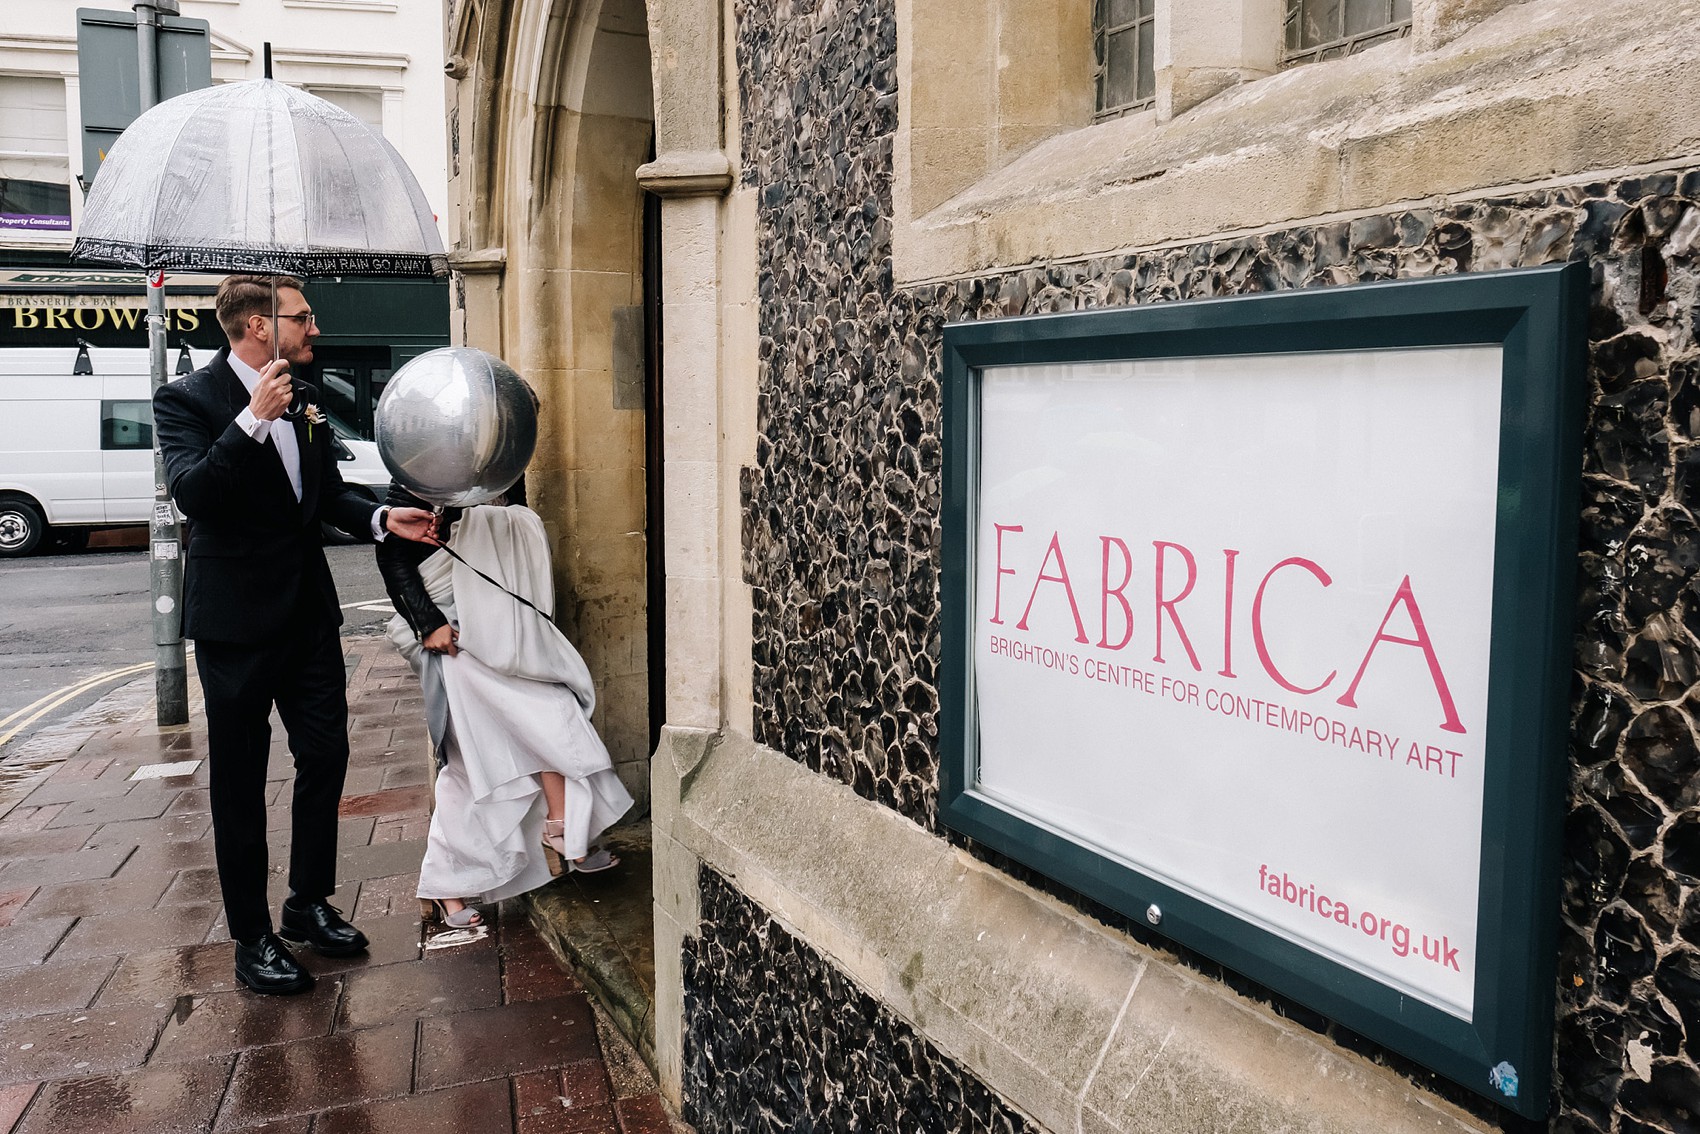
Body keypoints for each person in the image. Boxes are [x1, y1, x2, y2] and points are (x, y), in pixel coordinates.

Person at [153, 273, 437, 995]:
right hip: (236, 625)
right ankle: (252, 936)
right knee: (241, 782)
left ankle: (307, 902)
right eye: (302, 317)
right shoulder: (186, 401)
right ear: (256, 326)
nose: (315, 329)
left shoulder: (306, 399)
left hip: (308, 616)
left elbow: (320, 495)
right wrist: (250, 420)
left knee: (327, 755)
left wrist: (380, 518)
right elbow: (197, 496)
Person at [376, 476, 632, 928]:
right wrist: (428, 621)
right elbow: (393, 553)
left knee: (550, 719)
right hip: (453, 641)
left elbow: (513, 524)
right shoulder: (423, 457)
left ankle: (565, 832)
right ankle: (447, 889)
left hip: (505, 632)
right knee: (474, 768)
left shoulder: (501, 459)